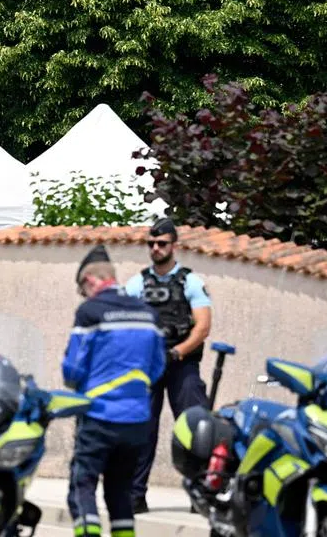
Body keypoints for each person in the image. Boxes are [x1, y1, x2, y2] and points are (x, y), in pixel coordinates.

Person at [63, 245, 165, 537]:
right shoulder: (148, 314)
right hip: (137, 420)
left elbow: (73, 370)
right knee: (120, 492)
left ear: (90, 280)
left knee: (82, 486)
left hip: (99, 416)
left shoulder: (90, 312)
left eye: (82, 290)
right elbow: (158, 368)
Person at [124, 218, 211, 513]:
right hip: (148, 366)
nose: (155, 248)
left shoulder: (190, 282)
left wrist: (177, 352)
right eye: (151, 243)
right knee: (141, 430)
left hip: (181, 365)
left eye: (161, 243)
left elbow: (202, 327)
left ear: (174, 245)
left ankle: (201, 495)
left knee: (195, 427)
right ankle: (135, 496)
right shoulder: (137, 283)